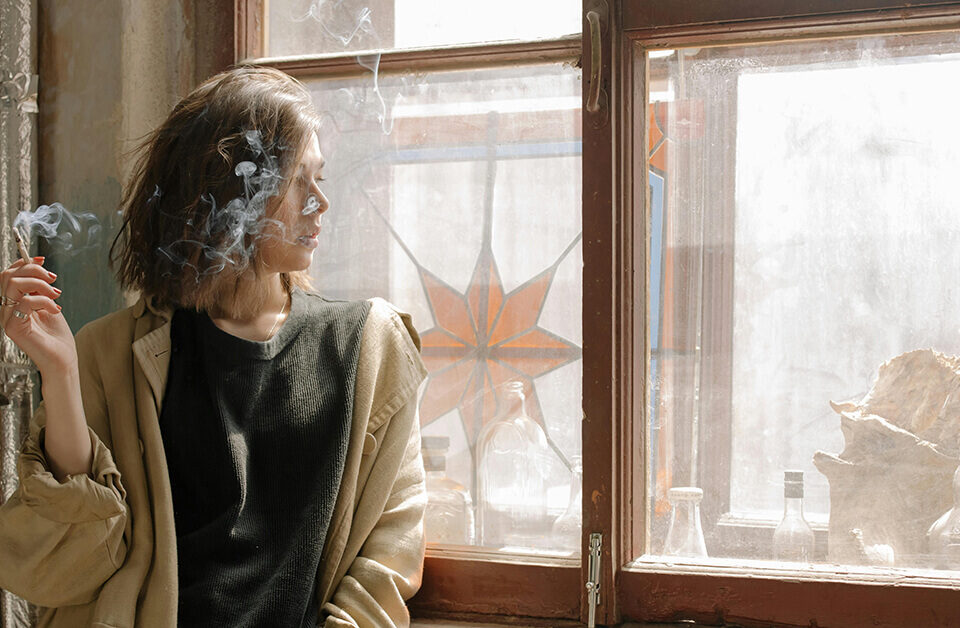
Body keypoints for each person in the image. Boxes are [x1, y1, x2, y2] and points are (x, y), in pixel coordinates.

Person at [0, 66, 428, 627]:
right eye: (297, 181)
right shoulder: (112, 353)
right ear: (232, 194)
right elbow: (64, 569)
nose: (320, 203)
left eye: (319, 177)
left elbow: (388, 560)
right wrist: (58, 373)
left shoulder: (370, 347)